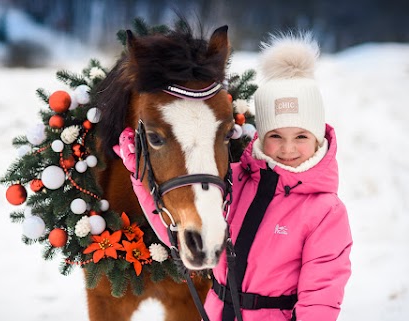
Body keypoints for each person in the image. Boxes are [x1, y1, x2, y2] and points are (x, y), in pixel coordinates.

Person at [114, 32, 352, 321]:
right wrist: (140, 177)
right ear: (263, 137)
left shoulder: (325, 212)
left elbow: (321, 299)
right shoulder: (237, 181)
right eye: (276, 135)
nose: (288, 148)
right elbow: (173, 231)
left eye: (301, 136)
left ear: (317, 139)